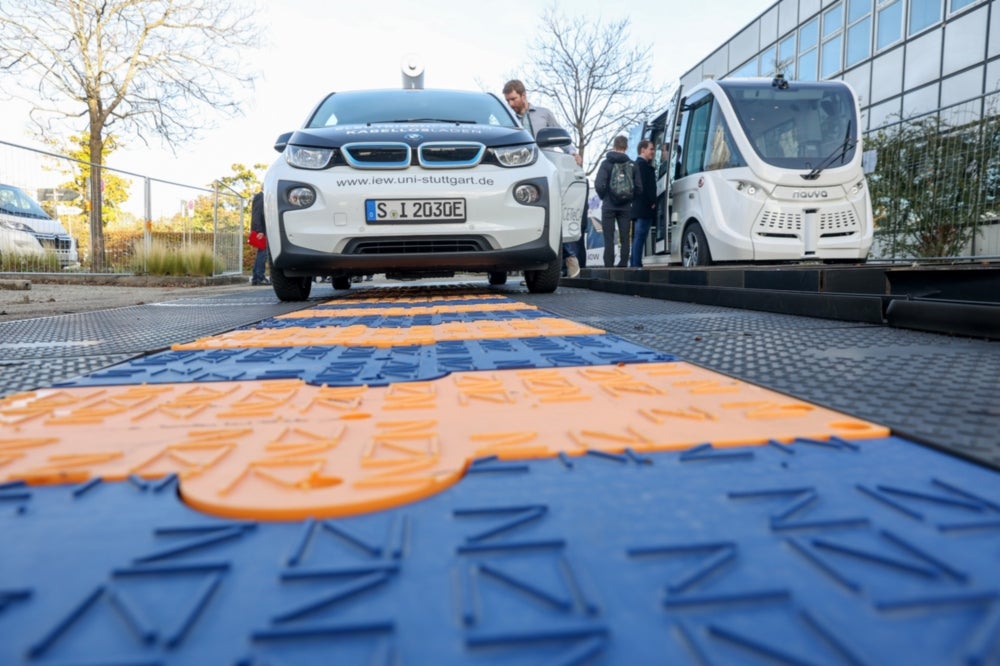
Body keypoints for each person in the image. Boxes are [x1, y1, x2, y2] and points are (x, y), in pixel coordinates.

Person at [503, 79, 584, 277]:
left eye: (513, 99)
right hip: (518, 172)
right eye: (507, 100)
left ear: (523, 95)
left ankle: (569, 256)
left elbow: (561, 136)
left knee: (554, 213)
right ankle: (530, 271)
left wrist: (573, 153)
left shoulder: (544, 113)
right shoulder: (507, 119)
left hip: (546, 170)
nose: (511, 104)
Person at [594, 135, 633, 267]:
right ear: (626, 147)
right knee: (625, 237)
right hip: (625, 207)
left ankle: (609, 265)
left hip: (609, 206)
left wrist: (605, 196)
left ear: (614, 146)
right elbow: (639, 187)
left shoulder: (606, 164)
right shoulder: (632, 164)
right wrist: (629, 198)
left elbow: (599, 184)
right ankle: (623, 263)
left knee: (609, 237)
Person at [629, 140, 656, 268]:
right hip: (644, 207)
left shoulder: (635, 165)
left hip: (637, 207)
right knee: (640, 237)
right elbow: (646, 187)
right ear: (642, 150)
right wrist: (652, 202)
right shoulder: (643, 166)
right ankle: (636, 265)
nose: (653, 152)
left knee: (637, 237)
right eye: (651, 149)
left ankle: (634, 263)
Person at [249, 190, 269, 285]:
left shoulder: (263, 197)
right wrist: (260, 230)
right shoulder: (260, 197)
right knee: (263, 254)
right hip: (261, 231)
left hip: (262, 230)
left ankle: (256, 277)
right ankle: (259, 277)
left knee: (262, 254)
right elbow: (256, 215)